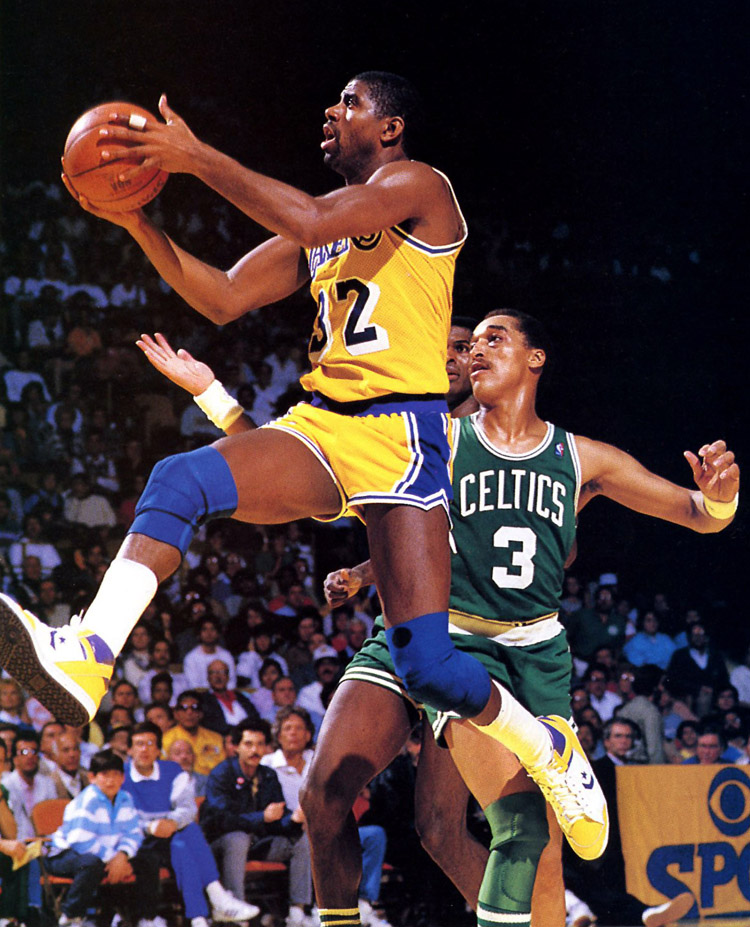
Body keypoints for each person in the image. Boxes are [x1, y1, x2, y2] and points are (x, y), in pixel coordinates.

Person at [2, 71, 488, 754]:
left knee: (427, 668)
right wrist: (137, 222)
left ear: (390, 128)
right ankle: (90, 653)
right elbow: (224, 296)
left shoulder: (421, 186)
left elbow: (309, 218)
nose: (331, 109)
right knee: (177, 479)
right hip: (324, 423)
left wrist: (196, 157)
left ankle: (539, 742)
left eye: (350, 102)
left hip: (403, 432)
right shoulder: (324, 225)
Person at [308, 311, 739, 927]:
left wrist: (721, 497)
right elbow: (386, 518)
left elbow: (698, 513)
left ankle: (569, 908)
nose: (476, 351)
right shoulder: (439, 441)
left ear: (536, 358)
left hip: (529, 653)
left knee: (522, 838)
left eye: (495, 338)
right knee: (342, 796)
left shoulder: (581, 457)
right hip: (442, 636)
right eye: (472, 344)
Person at [122, 721, 260, 927]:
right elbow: (121, 816)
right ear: (130, 750)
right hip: (139, 842)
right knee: (187, 836)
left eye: (150, 744)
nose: (144, 749)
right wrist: (150, 827)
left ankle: (199, 917)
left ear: (159, 750)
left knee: (184, 839)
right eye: (139, 744)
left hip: (170, 838)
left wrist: (172, 822)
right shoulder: (121, 775)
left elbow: (188, 808)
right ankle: (215, 900)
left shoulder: (172, 770)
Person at [563, 720, 693, 927]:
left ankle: (641, 914)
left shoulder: (640, 769)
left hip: (636, 841)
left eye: (628, 736)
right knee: (603, 892)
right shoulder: (596, 770)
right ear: (606, 742)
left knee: (607, 898)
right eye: (618, 736)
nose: (623, 741)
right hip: (605, 844)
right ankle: (644, 913)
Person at [200, 718, 311, 927]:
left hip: (258, 843)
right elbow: (221, 819)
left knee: (301, 839)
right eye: (248, 744)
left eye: (260, 744)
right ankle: (236, 910)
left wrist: (293, 820)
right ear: (236, 747)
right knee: (238, 838)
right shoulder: (222, 773)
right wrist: (261, 817)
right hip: (220, 845)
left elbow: (276, 818)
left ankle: (297, 912)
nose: (255, 750)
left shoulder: (268, 775)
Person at [45, 748, 161, 927]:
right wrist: (112, 859)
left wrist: (122, 855)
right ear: (92, 777)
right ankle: (71, 916)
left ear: (123, 778)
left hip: (107, 855)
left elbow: (134, 833)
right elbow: (80, 840)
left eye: (116, 775)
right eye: (105, 775)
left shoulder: (125, 798)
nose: (110, 780)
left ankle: (146, 918)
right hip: (65, 854)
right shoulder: (88, 799)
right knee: (91, 863)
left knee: (149, 858)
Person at [161, 691, 225, 777]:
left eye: (195, 708)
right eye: (184, 708)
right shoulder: (165, 740)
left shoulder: (216, 738)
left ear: (201, 713)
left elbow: (222, 770)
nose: (189, 712)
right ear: (176, 714)